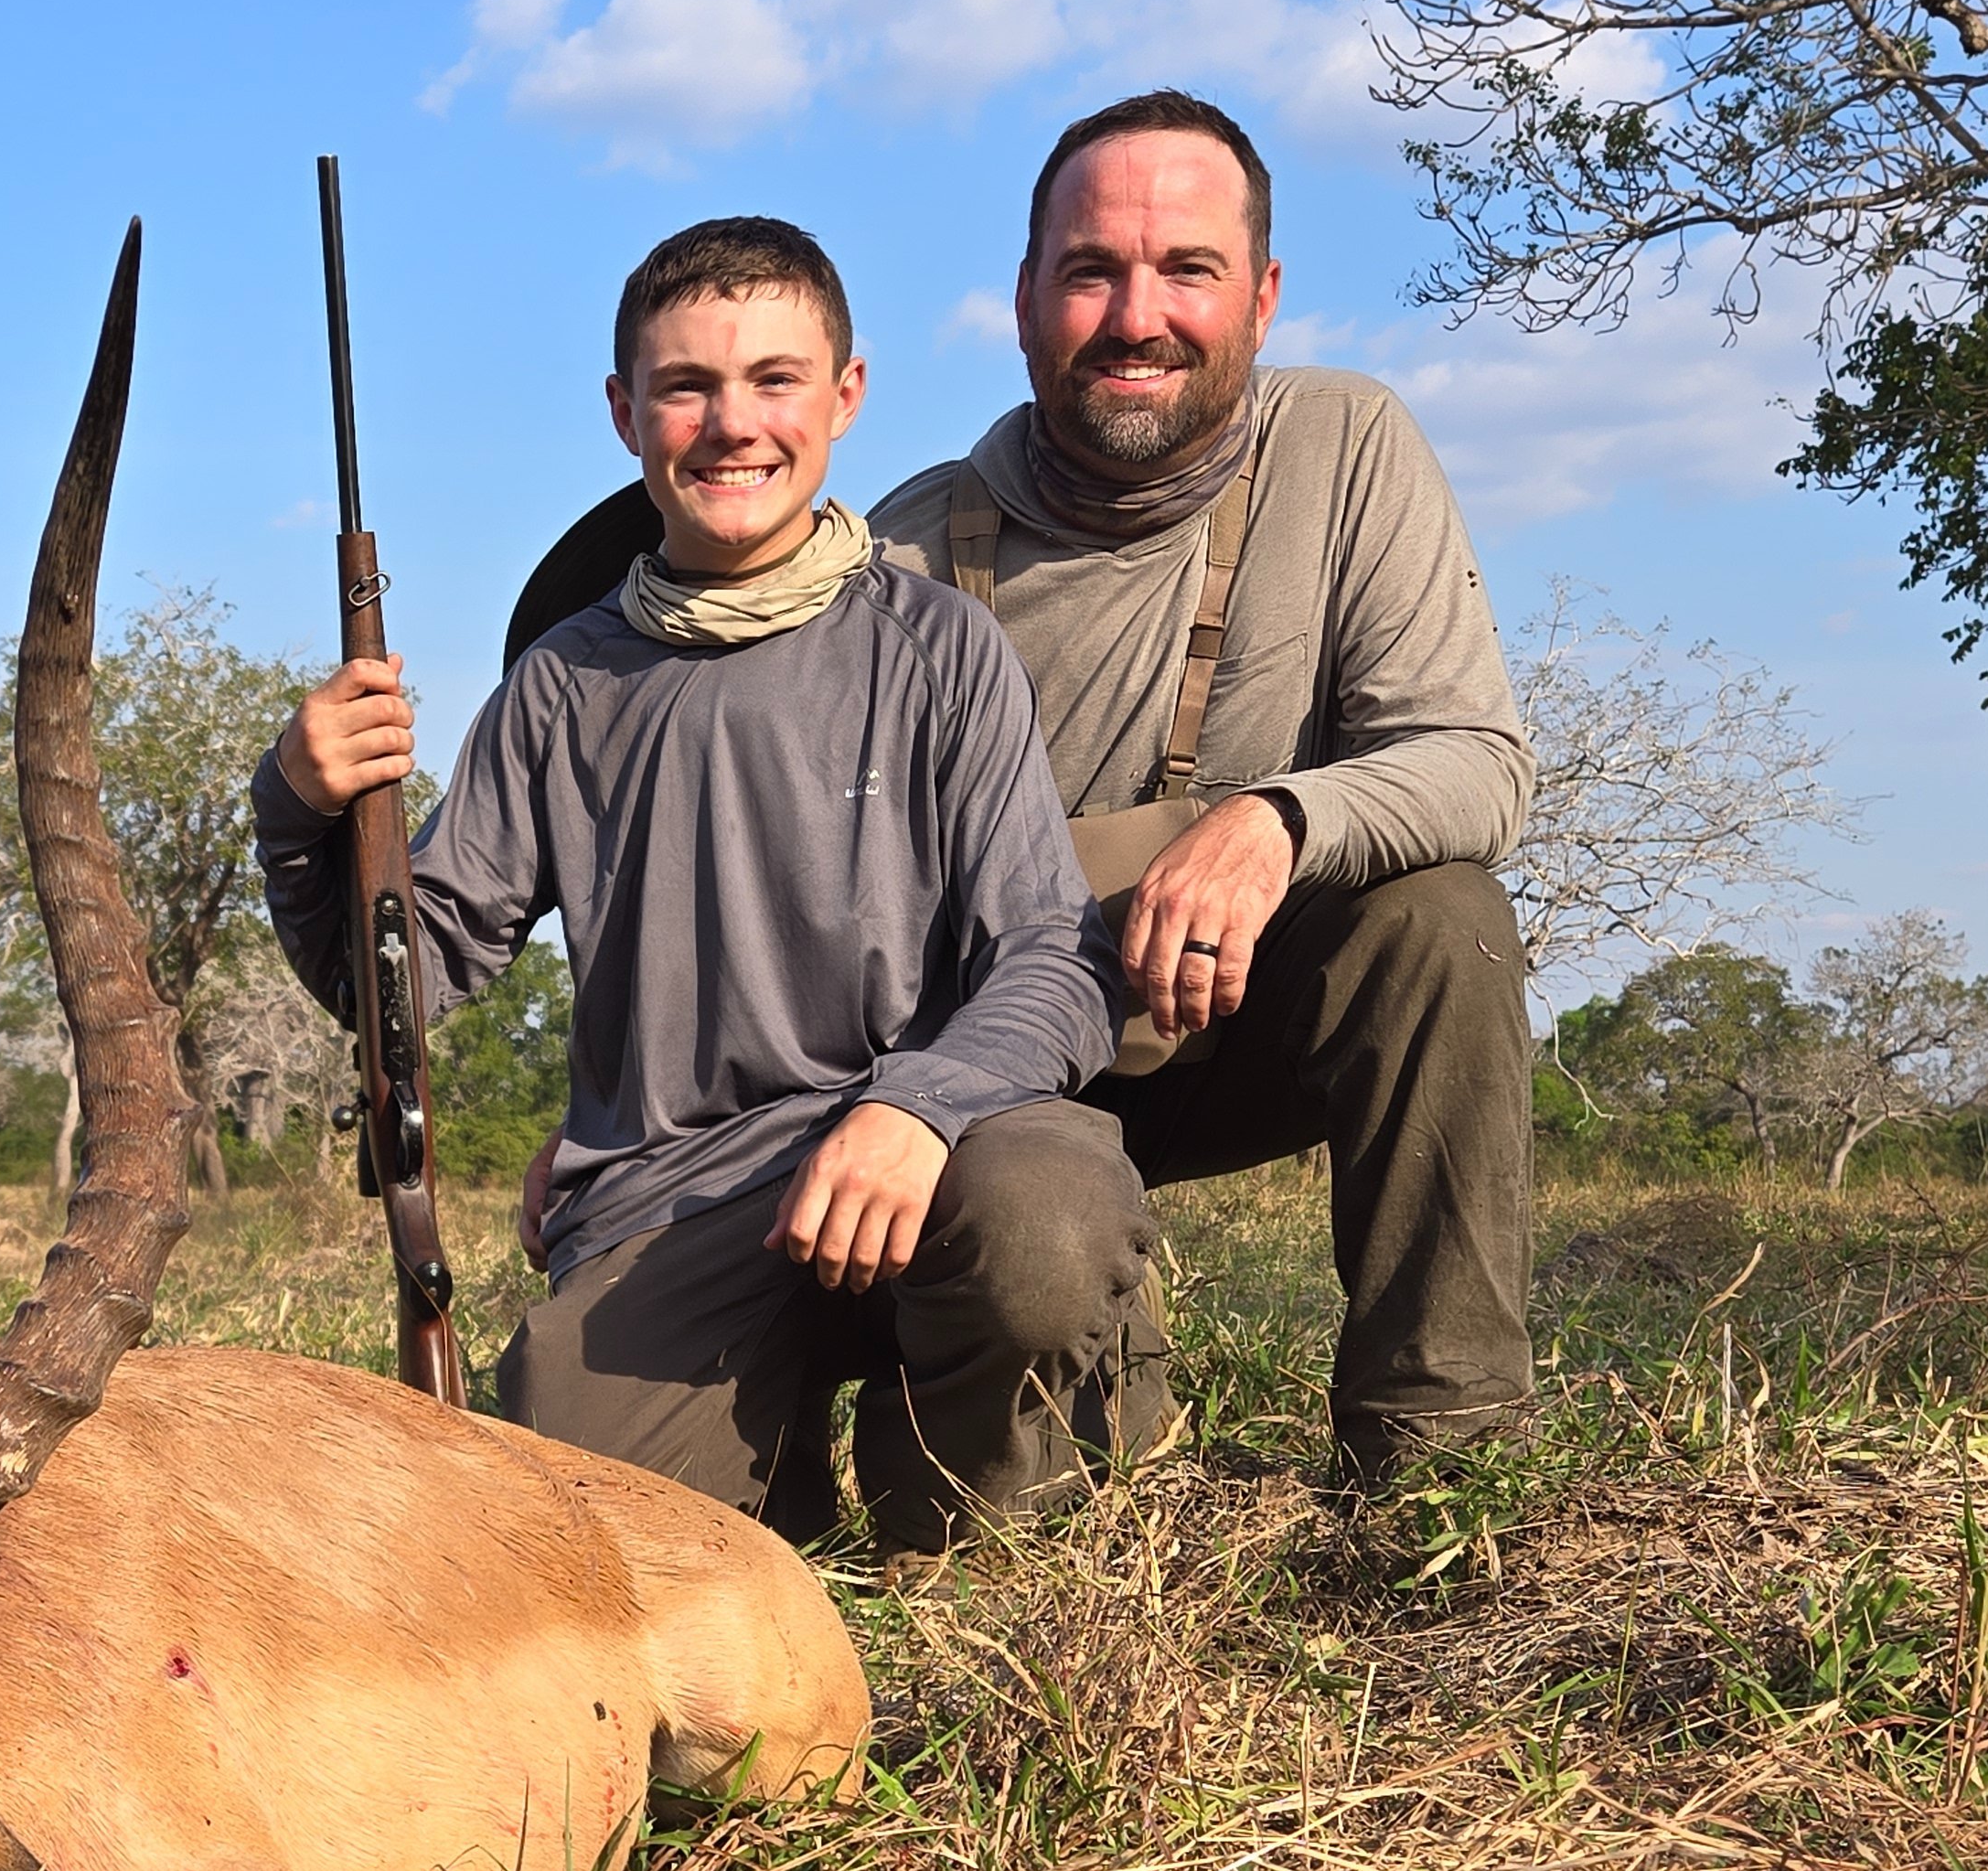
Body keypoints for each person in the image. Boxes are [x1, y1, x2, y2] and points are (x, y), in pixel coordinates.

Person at [506, 95, 1537, 1486]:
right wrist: (621, 1102)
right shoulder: (896, 564)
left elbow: (1476, 762)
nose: (1137, 314)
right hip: (982, 1086)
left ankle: (1439, 1448)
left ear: (1264, 295)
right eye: (1091, 271)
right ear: (1023, 300)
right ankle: (923, 1395)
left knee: (1439, 918)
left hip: (1229, 1018)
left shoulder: (1350, 448)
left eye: (1188, 270)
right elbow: (699, 840)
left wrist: (1276, 820)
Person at [253, 216, 1158, 1553]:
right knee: (563, 1528)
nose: (733, 425)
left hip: (935, 1156)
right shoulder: (558, 686)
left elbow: (1052, 960)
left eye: (775, 380)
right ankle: (765, 1464)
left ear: (845, 397)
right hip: (675, 1201)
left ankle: (966, 1526)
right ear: (625, 414)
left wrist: (916, 1107)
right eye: (687, 387)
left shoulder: (940, 649)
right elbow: (401, 980)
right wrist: (298, 810)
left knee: (1042, 1225)